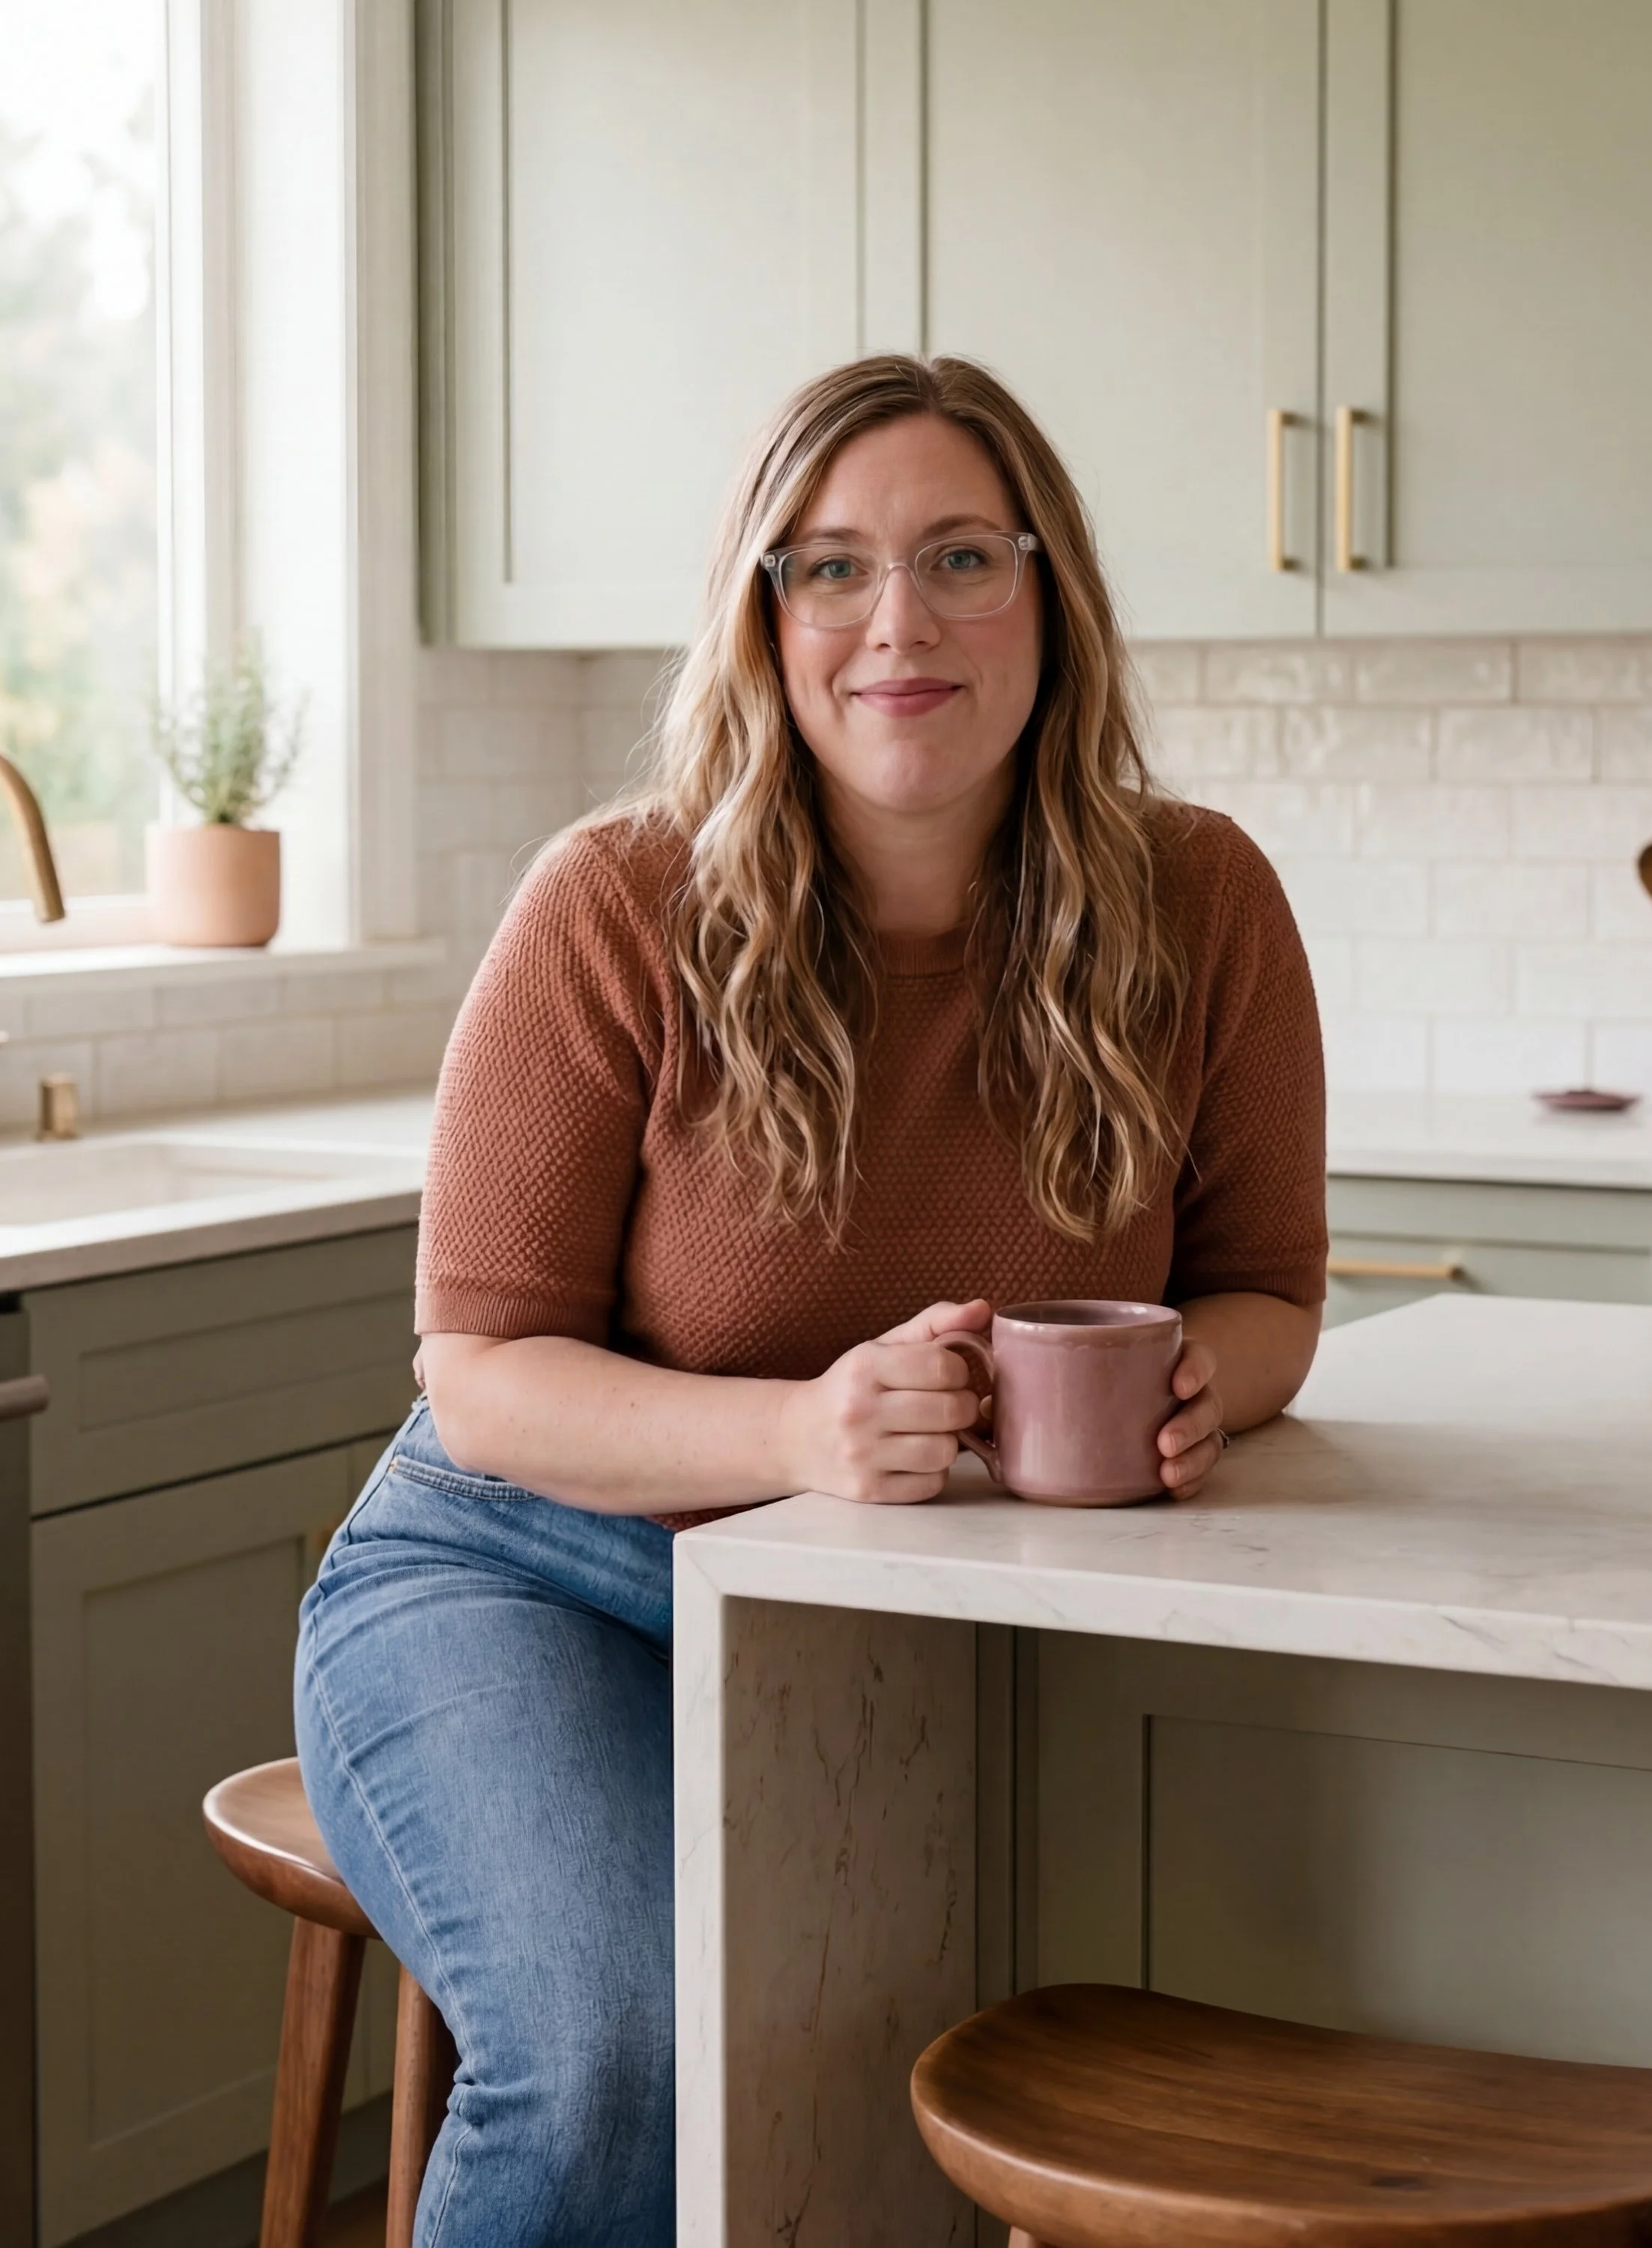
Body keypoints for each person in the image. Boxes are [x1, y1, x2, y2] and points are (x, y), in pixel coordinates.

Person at [295, 353, 1328, 2247]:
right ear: (763, 618)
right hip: (532, 1574)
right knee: (633, 2053)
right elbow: (480, 1380)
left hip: (926, 1617)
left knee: (974, 2032)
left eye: (960, 558)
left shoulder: (1203, 907)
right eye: (830, 568)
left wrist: (1204, 1380)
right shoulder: (617, 905)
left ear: (1052, 598)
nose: (897, 622)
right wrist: (795, 1433)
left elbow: (1267, 1292)